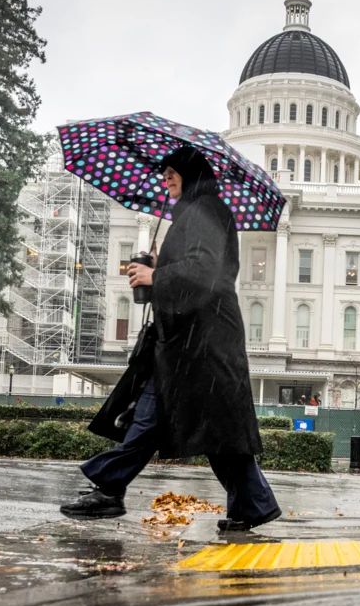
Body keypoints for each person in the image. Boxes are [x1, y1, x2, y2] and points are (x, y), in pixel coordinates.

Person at [61, 145, 281, 531]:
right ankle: (253, 505)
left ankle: (109, 488)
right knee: (217, 429)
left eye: (172, 173)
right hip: (190, 342)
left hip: (200, 345)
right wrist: (156, 268)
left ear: (191, 173)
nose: (166, 179)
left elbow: (206, 270)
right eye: (164, 174)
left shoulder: (205, 211)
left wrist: (157, 275)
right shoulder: (194, 213)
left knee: (168, 420)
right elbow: (194, 270)